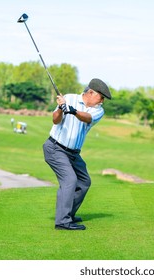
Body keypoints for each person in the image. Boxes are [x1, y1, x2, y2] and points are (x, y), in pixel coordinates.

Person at [43, 78, 112, 230]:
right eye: (101, 97)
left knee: (84, 182)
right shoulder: (68, 98)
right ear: (91, 92)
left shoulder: (98, 110)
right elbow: (55, 120)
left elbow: (87, 118)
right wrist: (61, 108)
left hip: (73, 153)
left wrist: (72, 110)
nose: (102, 101)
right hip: (55, 148)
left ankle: (68, 213)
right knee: (69, 180)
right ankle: (62, 221)